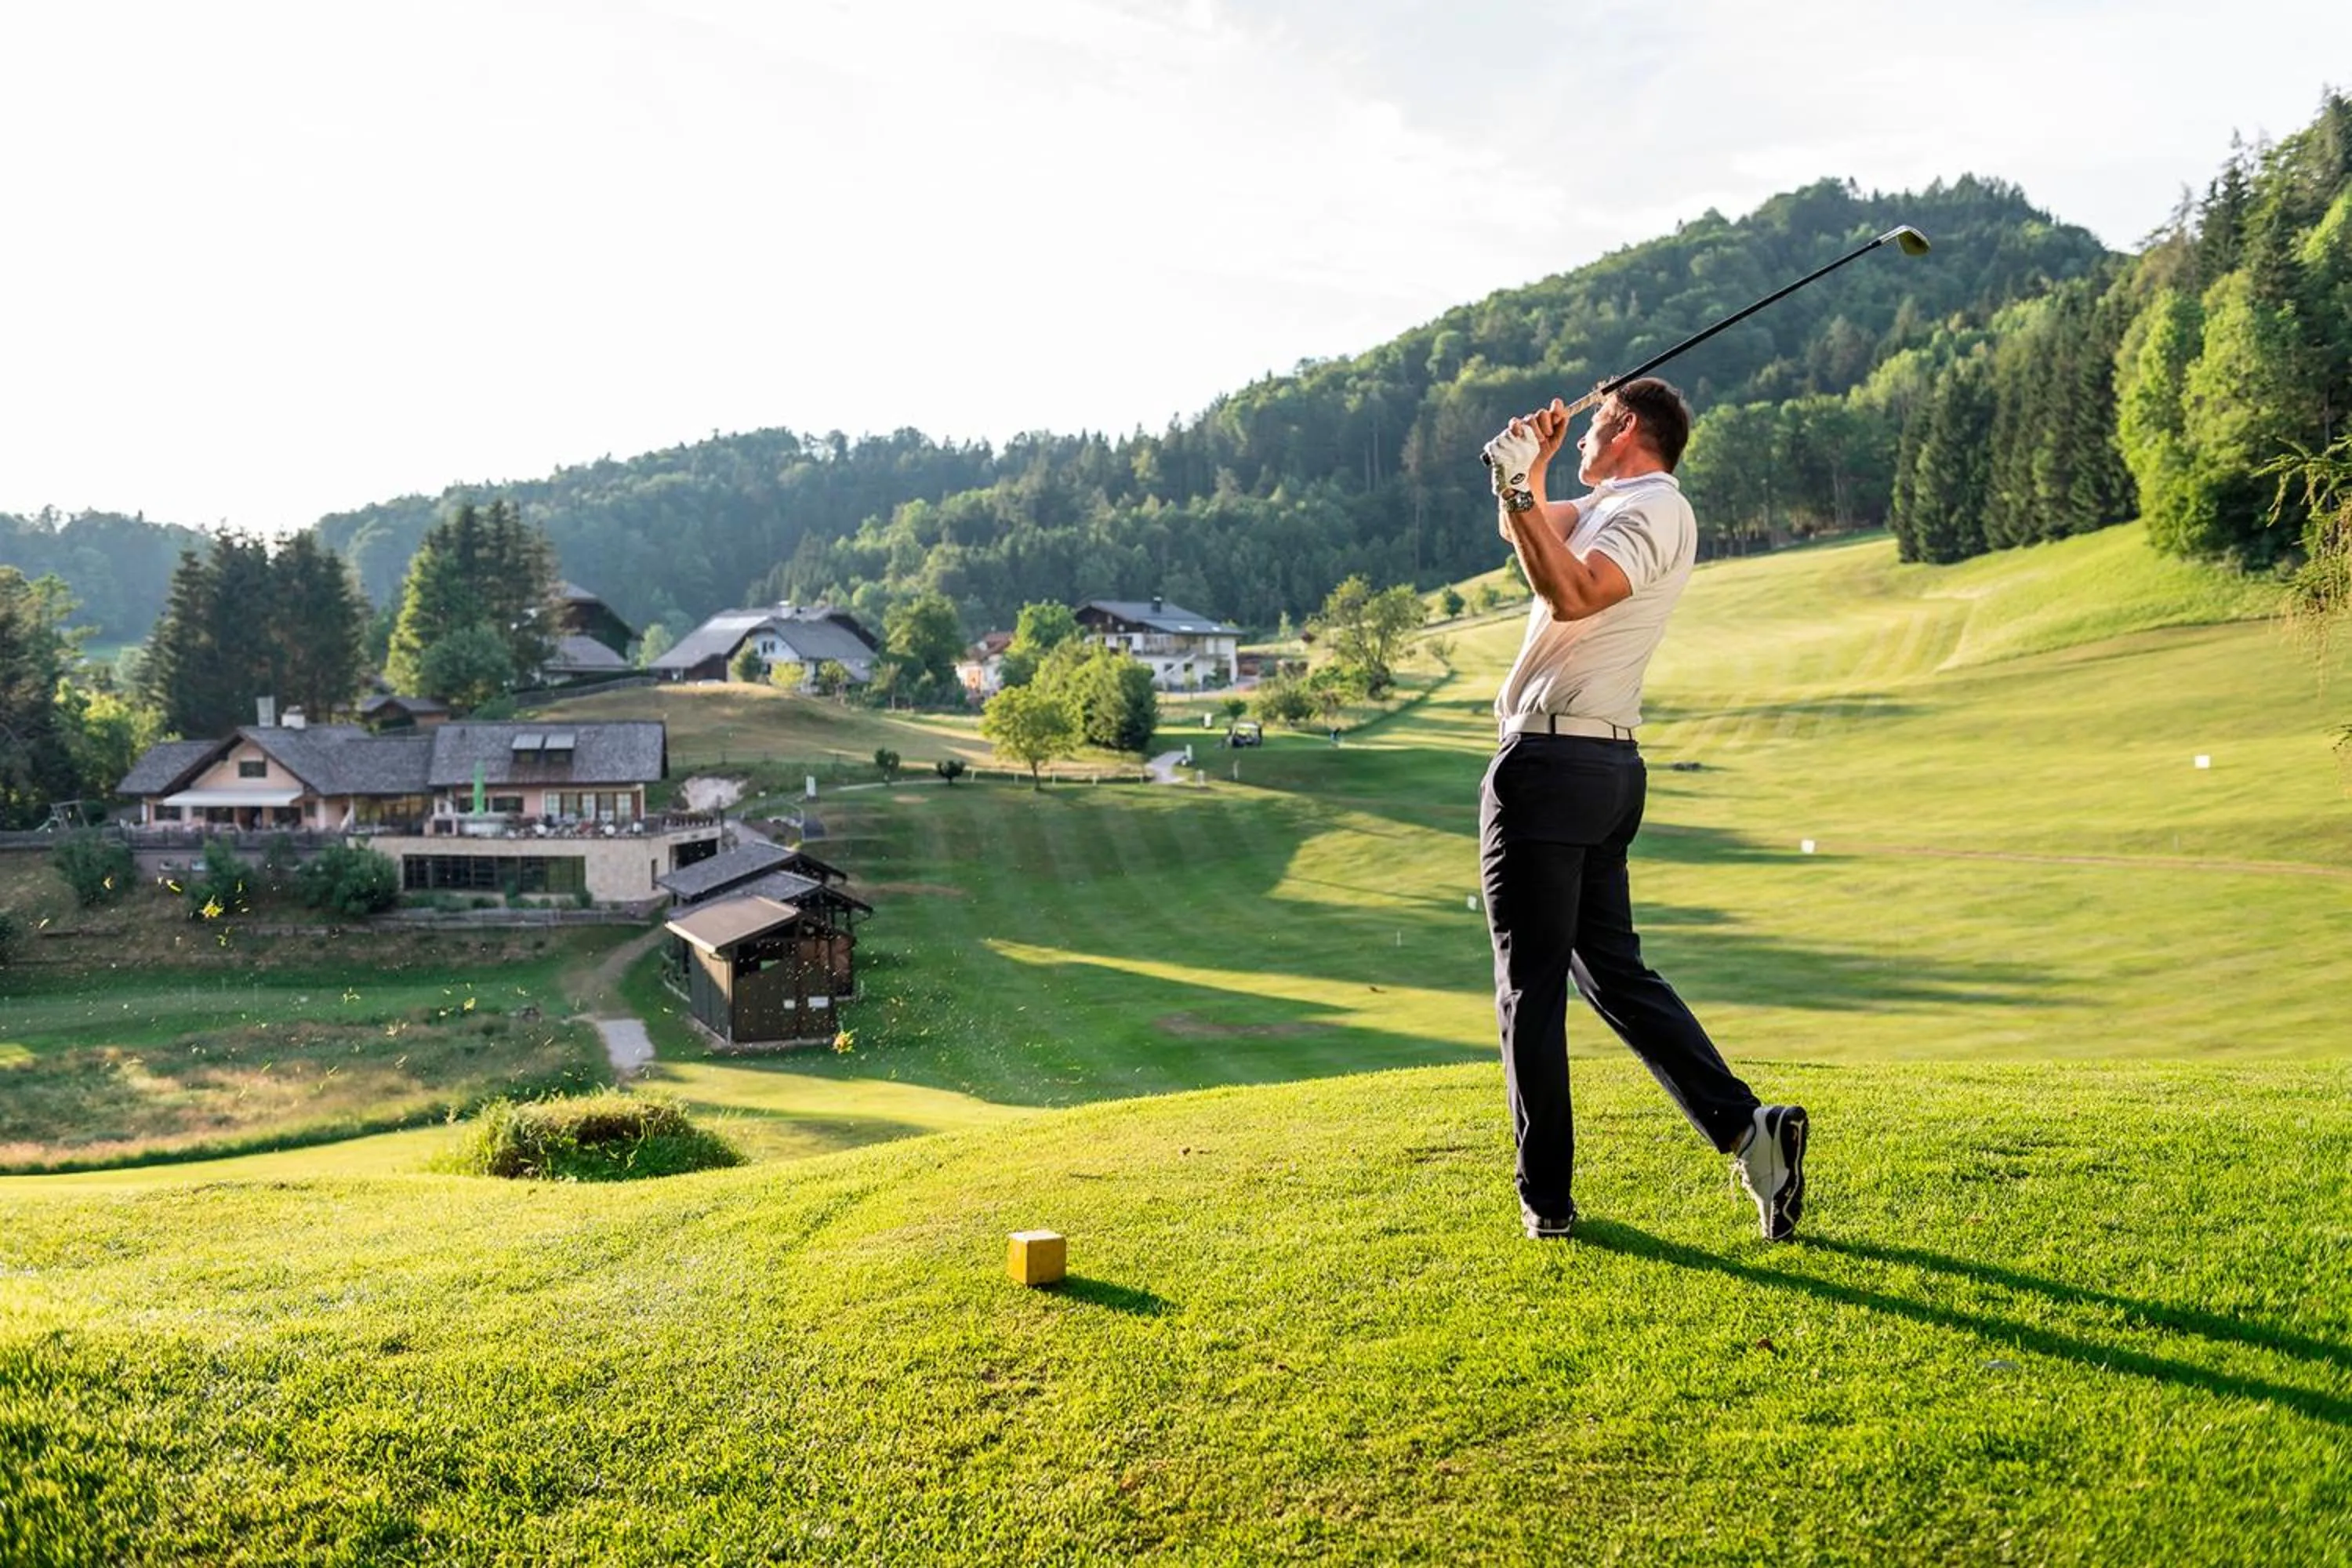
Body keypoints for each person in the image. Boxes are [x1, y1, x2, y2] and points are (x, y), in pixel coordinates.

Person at [1477, 379, 1807, 1242]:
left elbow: (1573, 594)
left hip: (1554, 764)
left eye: (1594, 423)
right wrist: (1528, 471)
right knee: (1610, 971)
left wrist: (1519, 485)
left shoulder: (1654, 508)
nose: (1584, 436)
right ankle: (1749, 1131)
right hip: (1594, 765)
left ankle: (1547, 1200)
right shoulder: (1611, 505)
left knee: (1530, 988)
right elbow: (1530, 534)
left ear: (1625, 426)